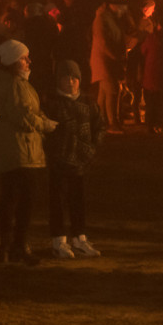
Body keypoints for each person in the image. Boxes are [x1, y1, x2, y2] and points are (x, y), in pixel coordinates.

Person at [0, 39, 57, 265]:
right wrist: (46, 125)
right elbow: (24, 116)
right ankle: (18, 245)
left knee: (10, 198)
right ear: (12, 61)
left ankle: (8, 247)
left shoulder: (11, 83)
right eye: (23, 58)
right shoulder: (15, 85)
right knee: (23, 201)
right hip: (22, 150)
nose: (28, 61)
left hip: (14, 149)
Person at [43, 60, 105, 259]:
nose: (70, 82)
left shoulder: (88, 102)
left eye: (74, 78)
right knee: (58, 202)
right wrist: (53, 151)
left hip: (80, 161)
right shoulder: (51, 103)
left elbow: (99, 126)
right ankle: (59, 240)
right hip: (59, 161)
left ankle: (79, 238)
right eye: (65, 78)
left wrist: (92, 148)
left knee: (78, 200)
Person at [90, 0, 130, 133]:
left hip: (108, 60)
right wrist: (115, 56)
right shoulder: (102, 19)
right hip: (105, 61)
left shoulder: (111, 19)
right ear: (114, 6)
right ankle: (113, 124)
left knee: (104, 93)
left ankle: (100, 122)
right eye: (123, 7)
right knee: (113, 90)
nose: (124, 10)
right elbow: (103, 42)